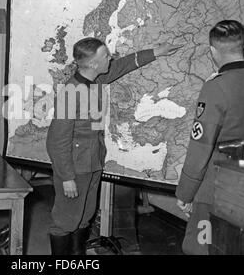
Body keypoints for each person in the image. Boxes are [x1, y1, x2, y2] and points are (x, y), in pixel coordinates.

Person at [46, 37, 182, 255]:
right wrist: (66, 176)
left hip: (93, 161)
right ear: (92, 63)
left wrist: (156, 51)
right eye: (105, 56)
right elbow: (56, 139)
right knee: (65, 220)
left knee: (84, 217)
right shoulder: (71, 92)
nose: (110, 58)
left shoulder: (97, 80)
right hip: (75, 166)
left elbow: (123, 65)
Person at [175, 20, 244, 255]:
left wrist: (185, 193)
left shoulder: (214, 88)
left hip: (218, 181)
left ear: (212, 51)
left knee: (202, 246)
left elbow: (199, 149)